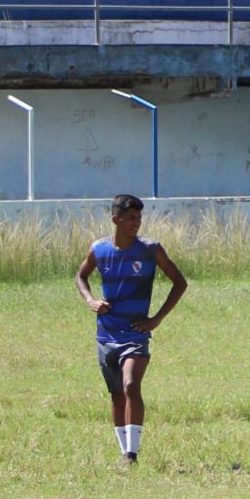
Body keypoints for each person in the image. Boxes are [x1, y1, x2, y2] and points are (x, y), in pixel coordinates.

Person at [75, 193, 187, 466]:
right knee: (116, 394)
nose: (137, 223)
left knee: (131, 384)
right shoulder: (99, 250)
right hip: (106, 334)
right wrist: (91, 300)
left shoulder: (150, 249)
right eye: (131, 218)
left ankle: (131, 454)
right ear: (116, 220)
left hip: (136, 334)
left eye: (139, 218)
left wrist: (157, 319)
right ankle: (123, 451)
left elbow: (179, 282)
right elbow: (80, 276)